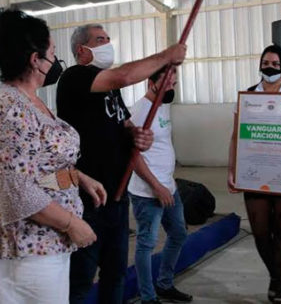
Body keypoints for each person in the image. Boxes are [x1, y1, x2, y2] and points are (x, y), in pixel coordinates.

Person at [0, 9, 106, 304]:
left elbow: (37, 162)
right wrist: (72, 224)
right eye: (53, 54)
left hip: (44, 240)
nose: (56, 61)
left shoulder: (27, 100)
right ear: (36, 59)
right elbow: (18, 191)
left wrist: (76, 176)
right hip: (26, 245)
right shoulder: (13, 110)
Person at [57, 24, 186, 304]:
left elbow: (123, 123)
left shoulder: (110, 90)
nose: (108, 44)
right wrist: (166, 56)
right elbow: (124, 76)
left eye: (108, 39)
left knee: (115, 274)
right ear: (81, 50)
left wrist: (136, 135)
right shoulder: (75, 77)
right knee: (80, 280)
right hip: (87, 198)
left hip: (116, 197)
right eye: (100, 40)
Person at [227, 45, 281, 303]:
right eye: (266, 63)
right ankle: (277, 275)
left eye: (275, 64)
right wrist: (232, 169)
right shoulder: (248, 97)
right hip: (255, 171)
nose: (270, 68)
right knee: (260, 233)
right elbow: (236, 137)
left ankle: (280, 290)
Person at [128, 66, 192, 304]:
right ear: (151, 82)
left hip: (168, 186)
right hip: (147, 192)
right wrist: (156, 186)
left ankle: (164, 283)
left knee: (178, 233)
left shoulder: (163, 106)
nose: (171, 89)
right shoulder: (139, 112)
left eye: (174, 84)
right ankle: (148, 297)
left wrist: (167, 183)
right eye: (166, 84)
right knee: (146, 243)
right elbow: (133, 158)